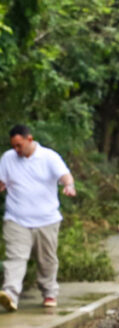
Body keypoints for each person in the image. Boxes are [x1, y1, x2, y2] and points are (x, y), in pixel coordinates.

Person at [0, 124, 76, 312]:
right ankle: (10, 294)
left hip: (47, 220)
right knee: (15, 258)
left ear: (29, 139)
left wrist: (68, 185)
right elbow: (2, 182)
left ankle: (49, 293)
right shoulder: (8, 158)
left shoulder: (49, 157)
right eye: (13, 146)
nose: (16, 149)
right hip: (16, 219)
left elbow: (65, 175)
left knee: (46, 260)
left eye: (19, 145)